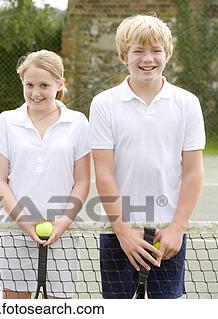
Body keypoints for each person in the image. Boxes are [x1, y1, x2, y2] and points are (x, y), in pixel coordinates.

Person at [89, 14, 205, 298]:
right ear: (124, 55)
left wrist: (177, 227)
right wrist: (123, 230)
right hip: (118, 233)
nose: (147, 58)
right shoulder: (104, 104)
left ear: (167, 53)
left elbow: (193, 171)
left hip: (168, 234)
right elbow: (103, 172)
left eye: (156, 50)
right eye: (138, 51)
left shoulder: (187, 103)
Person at [0, 50, 91, 298]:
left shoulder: (78, 122)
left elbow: (83, 180)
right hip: (14, 232)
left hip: (63, 235)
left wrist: (62, 224)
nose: (35, 92)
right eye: (29, 84)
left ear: (60, 84)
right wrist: (25, 222)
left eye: (44, 85)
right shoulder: (6, 121)